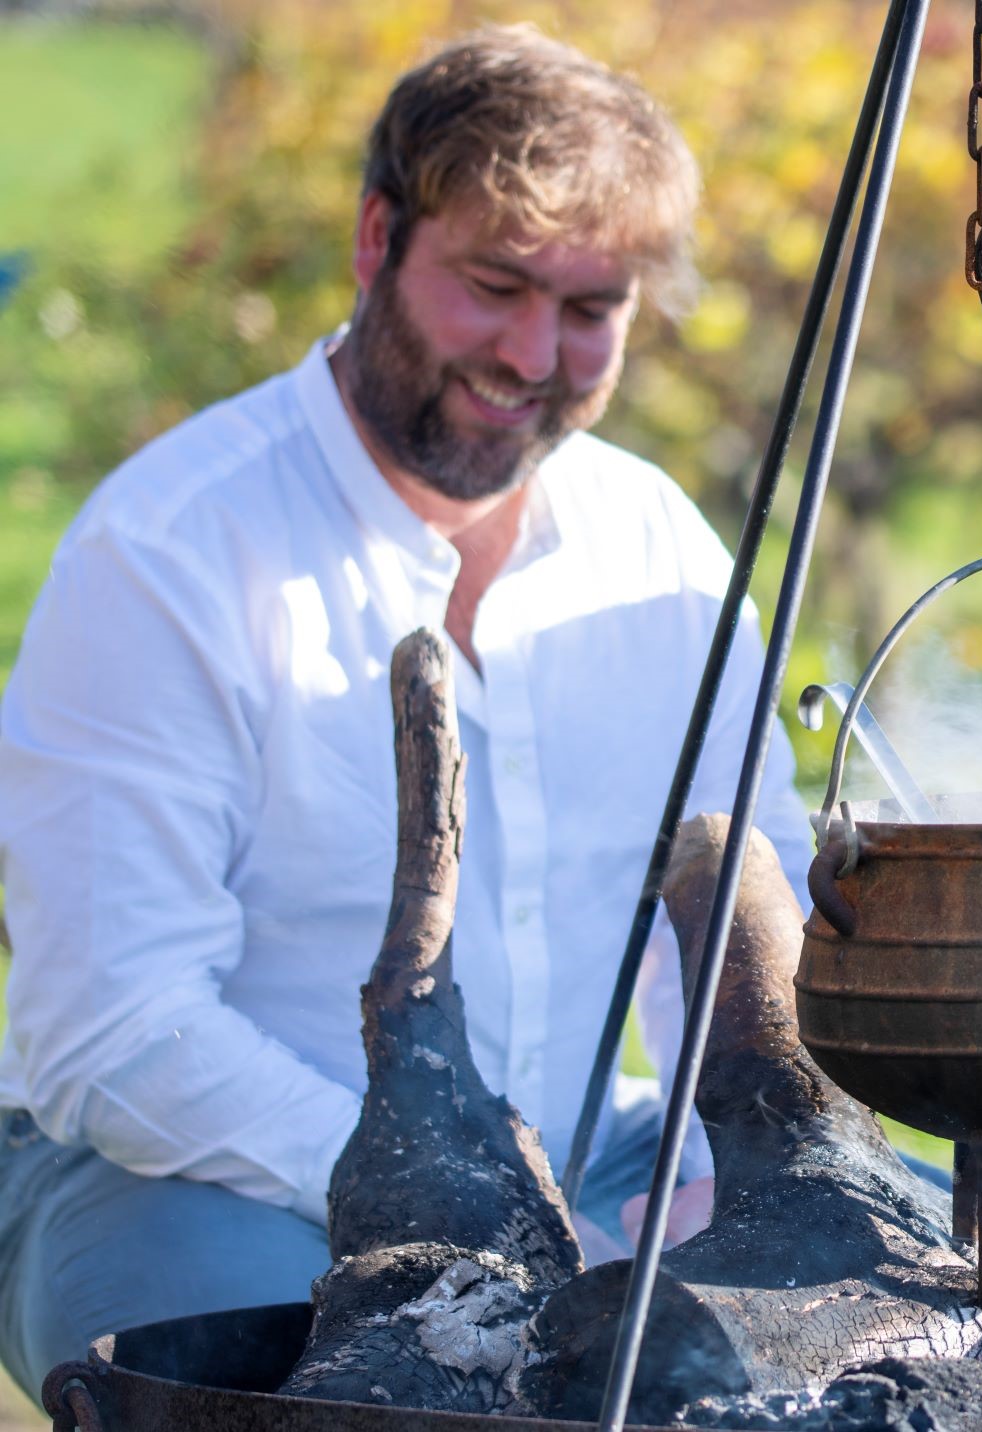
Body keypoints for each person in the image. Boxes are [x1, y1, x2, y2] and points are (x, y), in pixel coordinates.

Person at [0, 25, 811, 1392]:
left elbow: (740, 912)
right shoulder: (169, 553)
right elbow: (112, 1036)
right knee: (299, 1383)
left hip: (572, 1155)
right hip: (200, 1171)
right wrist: (455, 1206)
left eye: (591, 309)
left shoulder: (658, 549)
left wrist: (723, 1159)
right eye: (494, 284)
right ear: (378, 238)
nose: (534, 354)